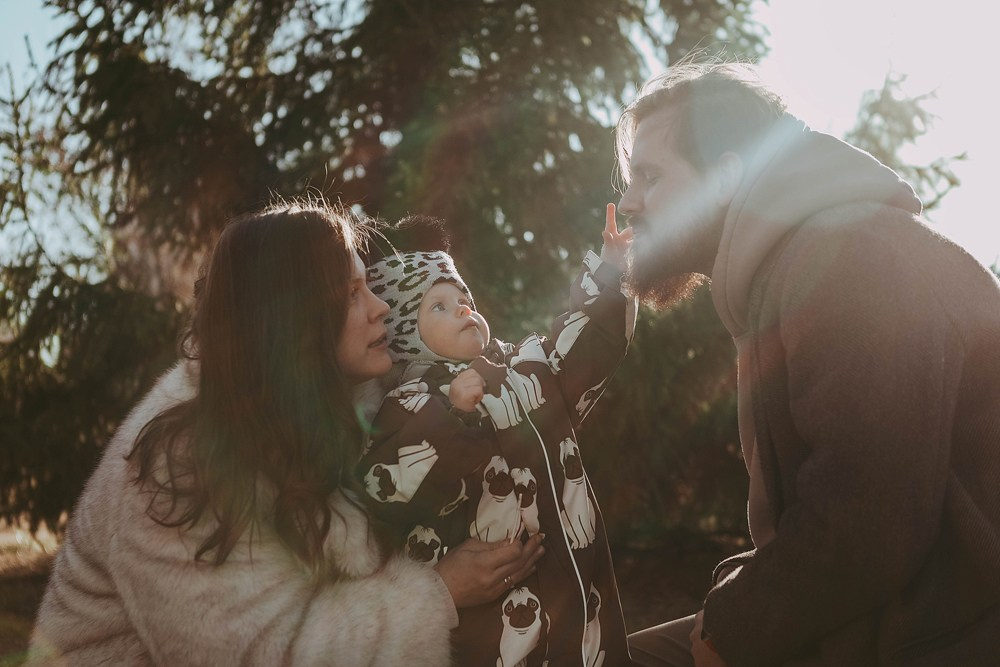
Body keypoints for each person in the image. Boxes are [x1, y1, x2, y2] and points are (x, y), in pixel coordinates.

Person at [28, 201, 544, 665]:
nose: (381, 306)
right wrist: (442, 593)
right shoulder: (175, 465)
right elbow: (254, 652)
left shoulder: (338, 399)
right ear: (293, 323)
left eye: (367, 285)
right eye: (350, 295)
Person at [617, 59, 1000, 667]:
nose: (629, 201)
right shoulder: (799, 260)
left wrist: (732, 631)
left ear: (724, 177)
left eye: (650, 176)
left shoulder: (848, 255)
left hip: (942, 633)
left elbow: (868, 521)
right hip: (895, 613)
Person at [356, 207, 636, 665]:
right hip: (493, 628)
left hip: (576, 605)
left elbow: (581, 352)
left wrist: (607, 272)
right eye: (438, 307)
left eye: (463, 298)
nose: (463, 309)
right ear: (406, 334)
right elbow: (387, 491)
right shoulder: (407, 402)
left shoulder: (524, 369)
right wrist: (451, 415)